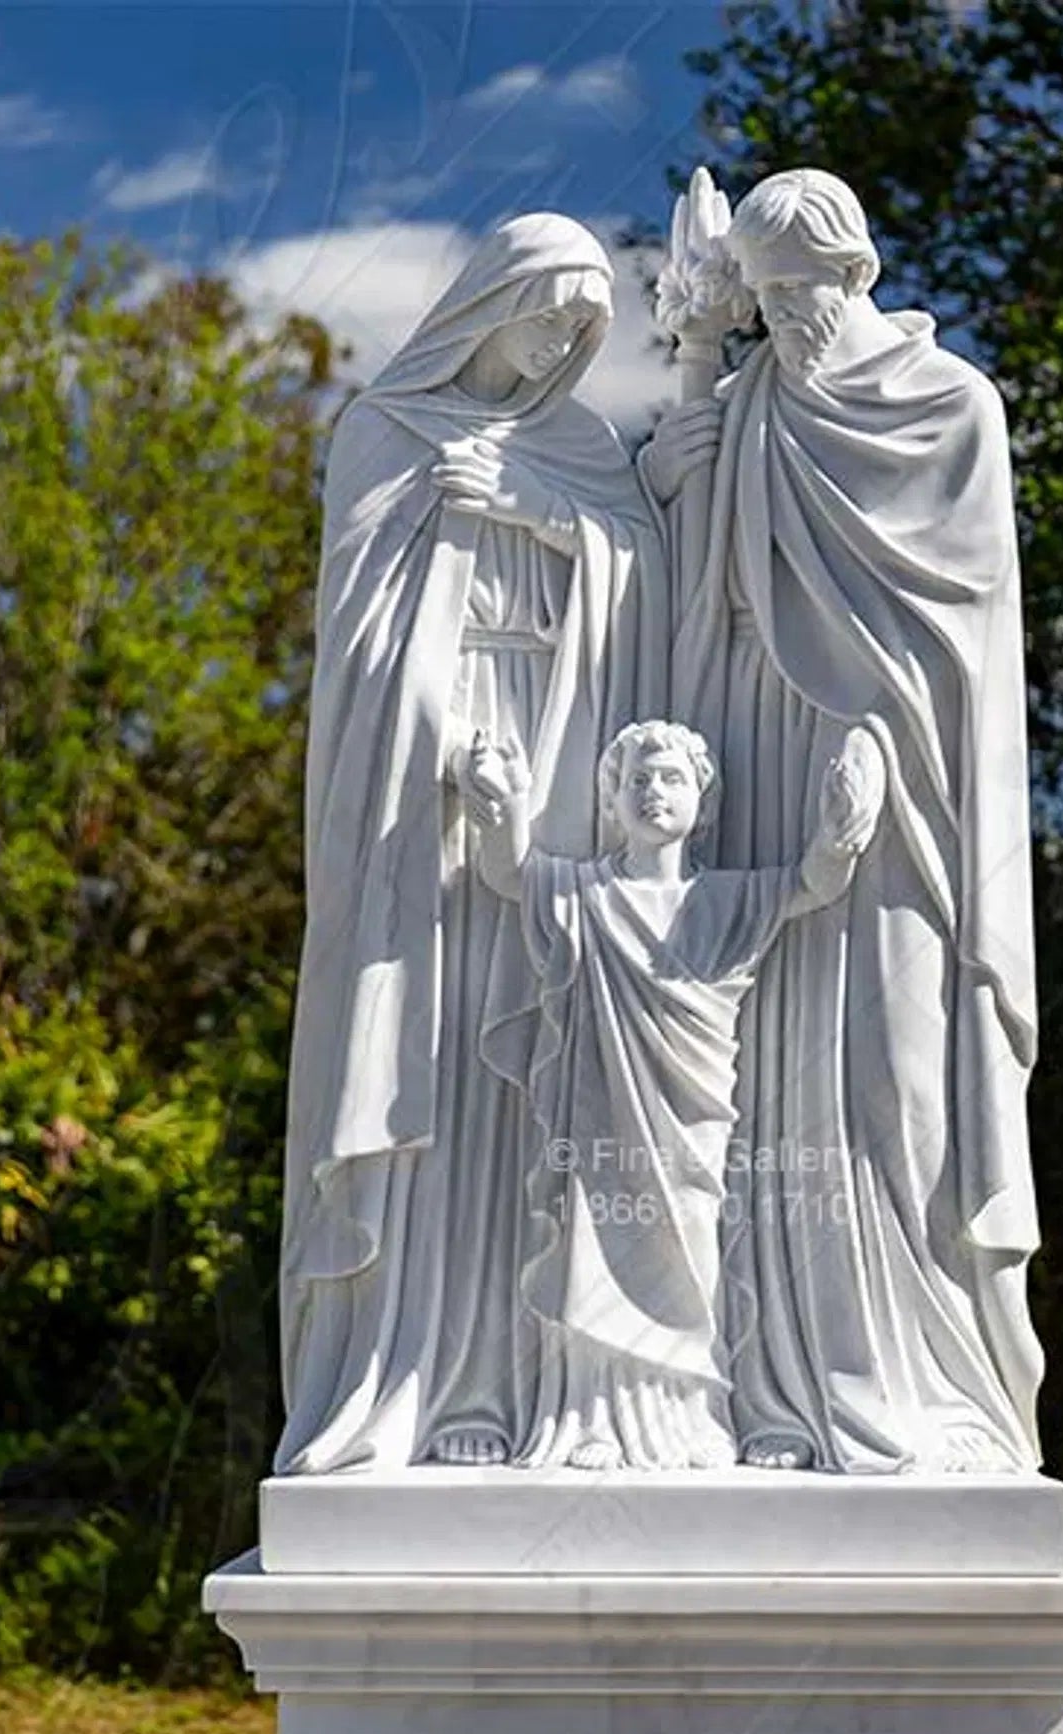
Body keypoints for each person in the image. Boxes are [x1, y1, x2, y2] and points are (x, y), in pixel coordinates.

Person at [643, 169, 1044, 1474]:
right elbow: (696, 604)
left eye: (799, 292)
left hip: (903, 794)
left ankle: (923, 1385)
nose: (784, 320)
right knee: (763, 1090)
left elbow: (965, 622)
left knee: (895, 1076)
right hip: (760, 770)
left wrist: (876, 732)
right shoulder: (749, 401)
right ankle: (777, 1397)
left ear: (857, 272)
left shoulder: (952, 408)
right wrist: (673, 458)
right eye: (764, 300)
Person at [278, 214, 666, 1472]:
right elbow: (360, 643)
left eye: (585, 323)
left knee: (533, 1076)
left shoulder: (585, 447)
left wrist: (545, 514)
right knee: (428, 1061)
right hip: (425, 789)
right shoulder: (383, 435)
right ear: (487, 298)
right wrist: (439, 736)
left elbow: (644, 587)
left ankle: (516, 1378)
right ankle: (412, 1378)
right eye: (548, 307)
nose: (562, 338)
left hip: (556, 778)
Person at [462, 718, 883, 1469]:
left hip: (691, 1122)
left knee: (691, 1253)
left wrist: (843, 825)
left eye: (672, 778)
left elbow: (813, 884)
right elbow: (511, 873)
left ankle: (689, 1422)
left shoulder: (727, 899)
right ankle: (588, 1420)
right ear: (612, 800)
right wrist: (503, 804)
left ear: (703, 801)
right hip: (595, 1118)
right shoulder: (581, 890)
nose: (654, 791)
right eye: (638, 780)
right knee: (590, 1248)